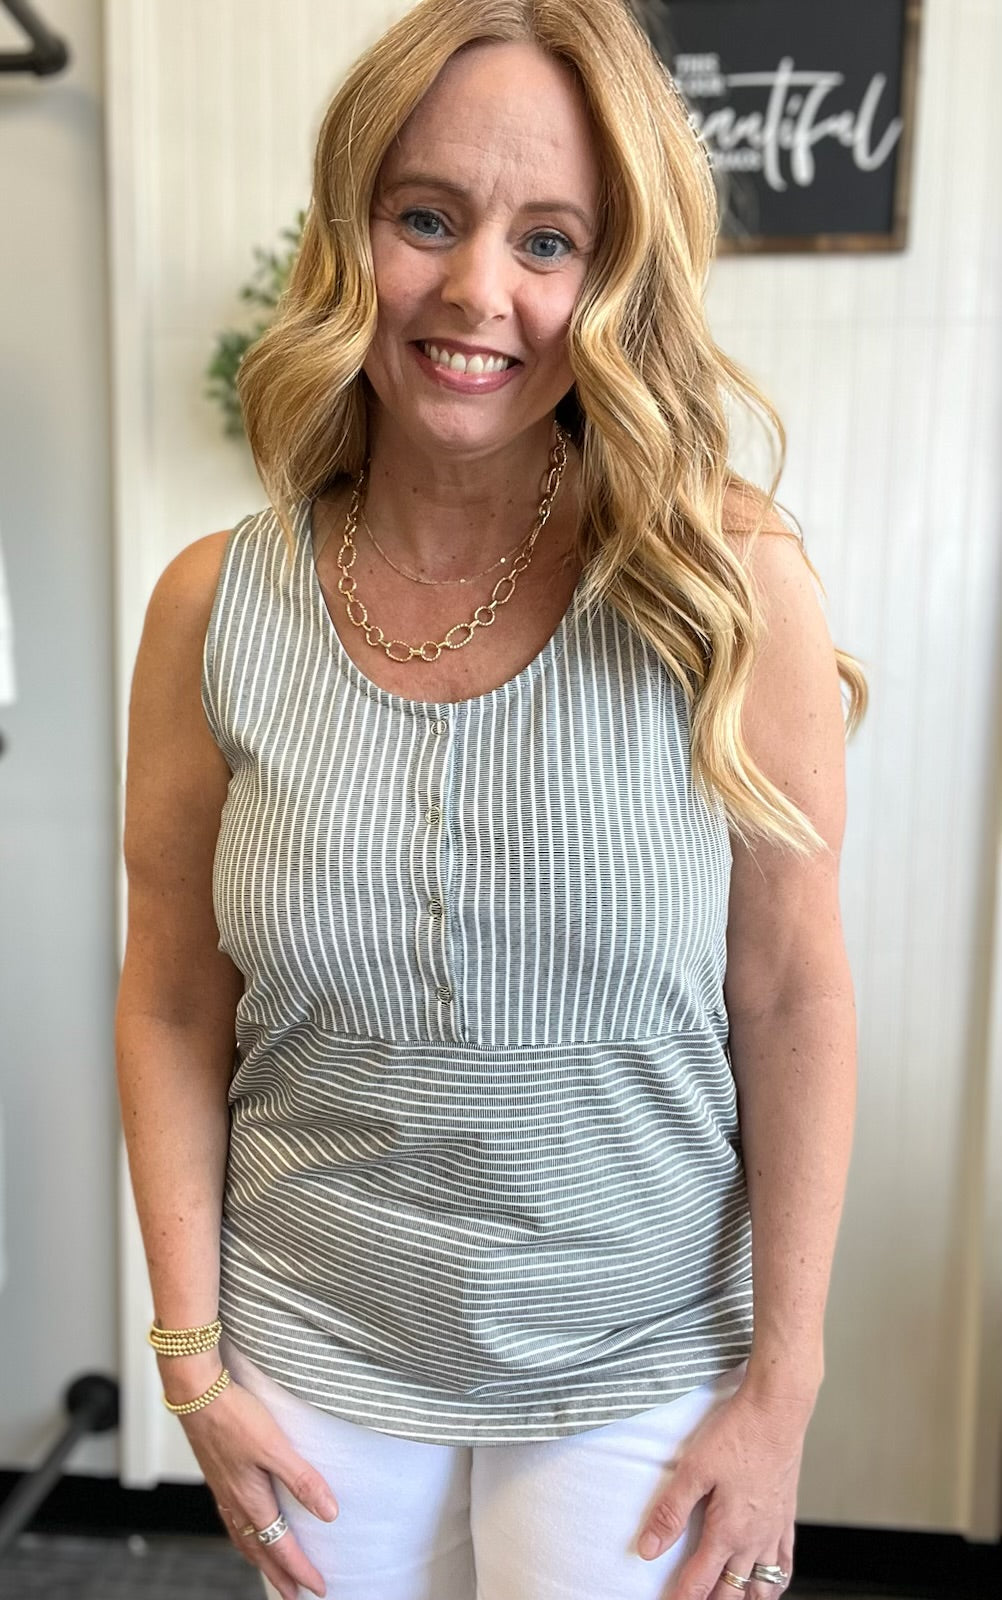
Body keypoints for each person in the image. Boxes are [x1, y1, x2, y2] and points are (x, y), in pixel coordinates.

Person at [115, 2, 866, 1597]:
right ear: (350, 231)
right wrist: (190, 1358)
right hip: (312, 1352)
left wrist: (782, 1389)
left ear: (617, 279)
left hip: (640, 1364)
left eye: (548, 241)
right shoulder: (210, 606)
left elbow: (791, 991)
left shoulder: (726, 586)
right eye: (425, 217)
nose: (476, 292)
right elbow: (174, 996)